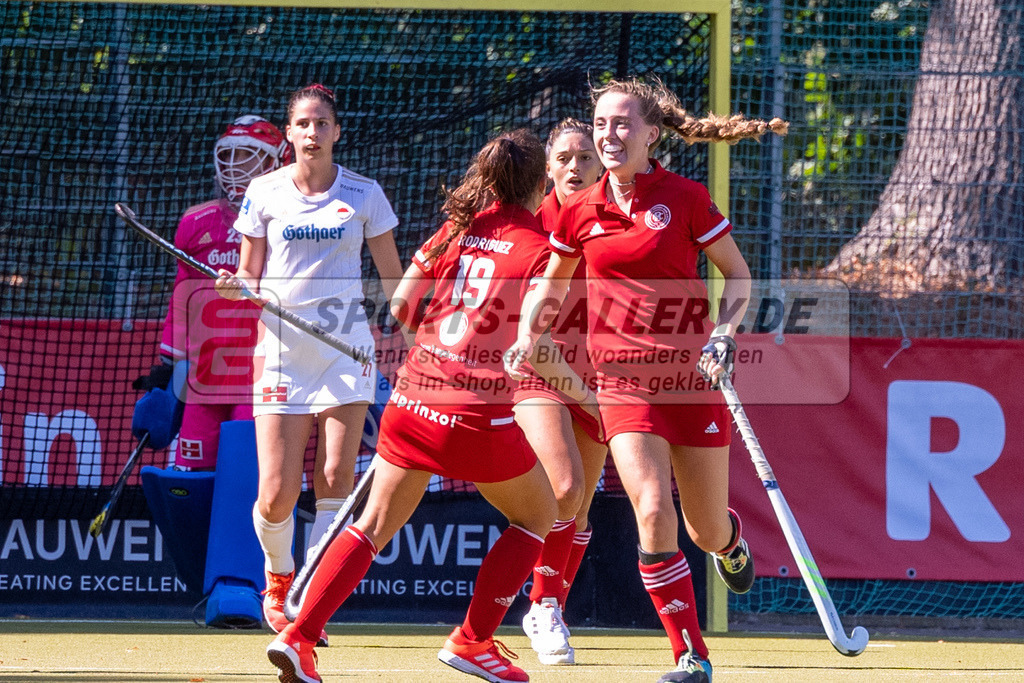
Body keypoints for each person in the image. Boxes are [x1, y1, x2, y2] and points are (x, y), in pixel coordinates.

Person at [265, 129, 588, 683]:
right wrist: (590, 398)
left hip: (414, 397)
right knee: (540, 514)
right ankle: (473, 641)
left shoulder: (459, 228)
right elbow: (537, 346)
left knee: (369, 526)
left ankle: (298, 638)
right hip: (473, 413)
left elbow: (401, 303)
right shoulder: (543, 247)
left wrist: (440, 345)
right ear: (541, 184)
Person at [505, 76, 788, 683]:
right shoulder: (581, 210)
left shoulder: (685, 198)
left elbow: (737, 276)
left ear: (652, 134)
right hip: (621, 385)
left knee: (706, 529)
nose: (609, 134)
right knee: (653, 509)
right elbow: (552, 284)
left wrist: (724, 334)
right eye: (601, 123)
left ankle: (731, 542)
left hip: (692, 379)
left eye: (623, 123)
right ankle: (691, 655)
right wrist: (531, 331)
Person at [214, 83, 405, 644]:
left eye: (323, 124)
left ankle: (307, 602)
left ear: (336, 132)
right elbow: (250, 276)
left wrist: (419, 331)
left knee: (334, 480)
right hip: (280, 352)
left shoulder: (364, 194)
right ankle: (278, 580)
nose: (313, 133)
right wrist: (236, 287)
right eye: (303, 124)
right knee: (274, 493)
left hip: (347, 351)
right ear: (289, 133)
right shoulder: (264, 192)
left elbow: (394, 279)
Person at [512, 118, 608, 665]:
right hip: (537, 368)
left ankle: (548, 606)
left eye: (586, 158)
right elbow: (533, 333)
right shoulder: (531, 225)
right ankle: (542, 606)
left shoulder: (618, 222)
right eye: (566, 157)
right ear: (548, 166)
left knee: (582, 507)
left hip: (597, 372)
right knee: (565, 485)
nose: (576, 166)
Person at [143, 115, 289, 471]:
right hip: (203, 380)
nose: (237, 166)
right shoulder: (197, 222)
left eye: (249, 156)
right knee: (189, 481)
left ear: (277, 161)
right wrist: (168, 363)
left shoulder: (291, 220)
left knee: (244, 479)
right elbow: (182, 298)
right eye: (231, 156)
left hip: (260, 380)